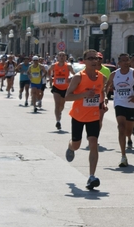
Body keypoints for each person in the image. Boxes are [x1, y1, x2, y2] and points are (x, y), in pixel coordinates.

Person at [64, 49, 107, 190]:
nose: (95, 61)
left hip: (93, 116)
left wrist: (103, 102)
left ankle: (91, 176)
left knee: (93, 143)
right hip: (78, 115)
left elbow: (101, 92)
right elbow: (68, 96)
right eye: (91, 58)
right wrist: (83, 95)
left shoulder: (102, 77)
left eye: (96, 58)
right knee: (76, 144)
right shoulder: (78, 77)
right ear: (84, 61)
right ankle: (70, 147)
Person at [105, 53, 134, 167]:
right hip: (119, 103)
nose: (126, 62)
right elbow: (107, 87)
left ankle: (132, 129)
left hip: (132, 105)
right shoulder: (114, 75)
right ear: (119, 63)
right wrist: (105, 97)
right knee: (121, 127)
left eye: (127, 60)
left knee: (128, 131)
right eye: (123, 60)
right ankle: (123, 156)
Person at [48, 51, 75, 126]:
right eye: (60, 55)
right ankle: (58, 121)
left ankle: (59, 112)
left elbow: (74, 74)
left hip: (65, 88)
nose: (62, 57)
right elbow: (48, 71)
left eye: (63, 56)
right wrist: (50, 77)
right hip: (56, 87)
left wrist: (71, 78)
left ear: (65, 57)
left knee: (62, 105)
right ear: (58, 57)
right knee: (57, 104)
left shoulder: (68, 66)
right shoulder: (54, 65)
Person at [95, 52, 111, 131]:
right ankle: (91, 135)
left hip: (102, 97)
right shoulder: (90, 69)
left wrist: (106, 96)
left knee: (100, 119)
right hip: (91, 97)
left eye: (100, 58)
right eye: (96, 58)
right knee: (91, 119)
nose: (98, 60)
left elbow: (107, 85)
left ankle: (96, 136)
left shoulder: (106, 70)